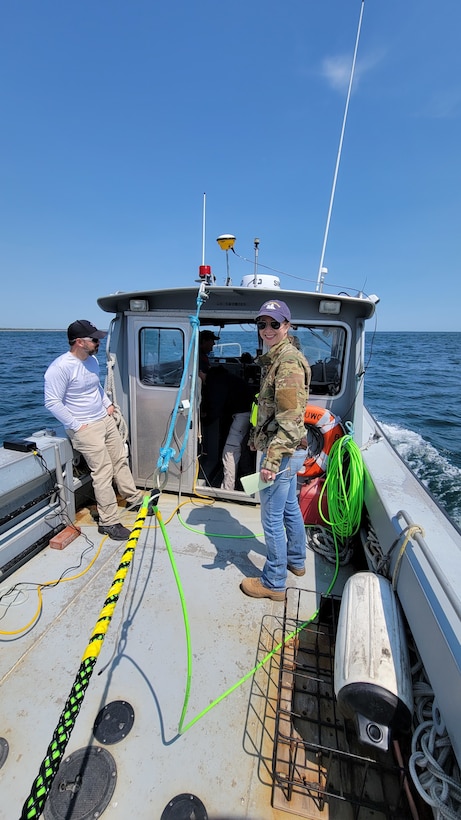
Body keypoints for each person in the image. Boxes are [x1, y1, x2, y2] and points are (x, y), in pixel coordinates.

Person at [44, 319, 144, 541]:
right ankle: (108, 522)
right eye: (94, 339)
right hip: (85, 428)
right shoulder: (60, 368)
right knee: (103, 472)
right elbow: (52, 402)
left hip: (104, 419)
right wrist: (77, 425)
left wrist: (106, 403)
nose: (99, 342)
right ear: (79, 342)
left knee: (120, 459)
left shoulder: (92, 361)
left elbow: (95, 387)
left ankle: (133, 497)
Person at [240, 300, 311, 601]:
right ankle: (296, 561)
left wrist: (271, 460)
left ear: (287, 325)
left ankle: (274, 582)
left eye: (274, 323)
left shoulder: (288, 363)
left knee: (271, 517)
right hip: (287, 452)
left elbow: (291, 422)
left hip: (280, 453)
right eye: (262, 324)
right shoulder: (277, 358)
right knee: (290, 508)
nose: (267, 330)